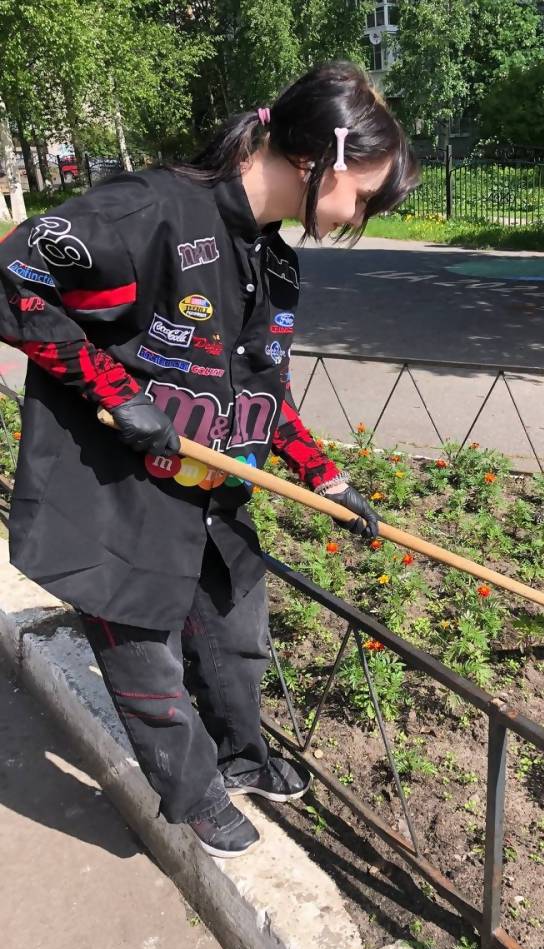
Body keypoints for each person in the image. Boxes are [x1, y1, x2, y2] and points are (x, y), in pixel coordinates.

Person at [0, 62, 419, 858]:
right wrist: (116, 391)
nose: (362, 211)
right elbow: (13, 274)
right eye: (364, 193)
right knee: (145, 663)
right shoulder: (151, 210)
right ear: (318, 157)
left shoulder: (274, 260)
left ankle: (240, 756)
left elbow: (261, 390)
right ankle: (191, 794)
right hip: (115, 491)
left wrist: (324, 475)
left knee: (237, 633)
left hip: (208, 492)